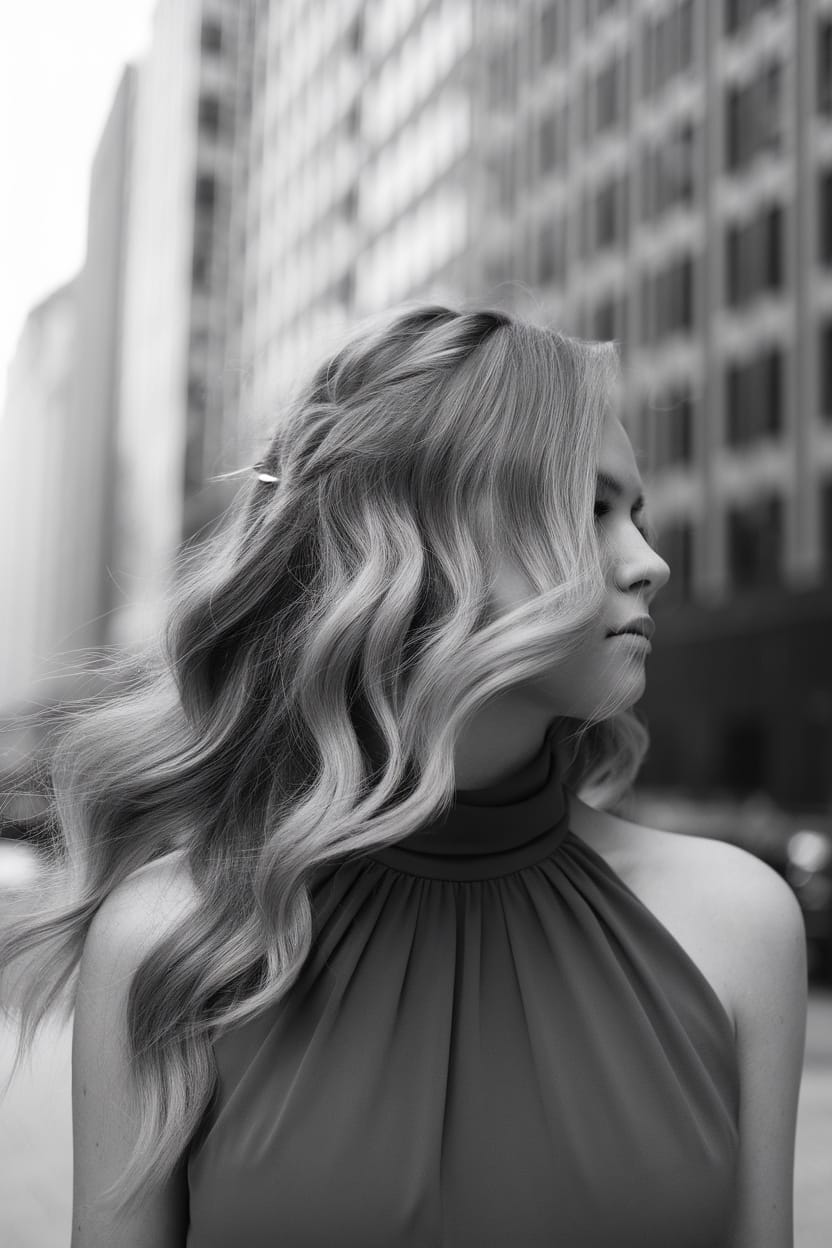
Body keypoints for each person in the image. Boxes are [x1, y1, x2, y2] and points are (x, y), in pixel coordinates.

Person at [0, 304, 807, 1247]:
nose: (652, 563)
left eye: (638, 515)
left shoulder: (736, 926)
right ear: (426, 537)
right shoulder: (177, 941)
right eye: (592, 510)